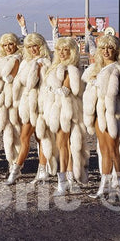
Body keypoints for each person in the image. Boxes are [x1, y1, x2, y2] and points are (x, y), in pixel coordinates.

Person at [82, 33, 120, 204]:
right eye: (103, 48)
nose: (106, 51)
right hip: (98, 115)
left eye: (110, 47)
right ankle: (103, 187)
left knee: (114, 151)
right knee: (103, 151)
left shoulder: (119, 68)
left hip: (114, 115)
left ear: (116, 50)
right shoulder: (96, 68)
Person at [40, 36, 89, 195]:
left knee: (63, 145)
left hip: (66, 112)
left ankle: (64, 181)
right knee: (64, 145)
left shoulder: (71, 69)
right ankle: (68, 180)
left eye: (66, 49)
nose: (62, 52)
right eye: (59, 49)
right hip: (56, 112)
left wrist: (50, 88)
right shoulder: (56, 67)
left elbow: (66, 91)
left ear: (72, 51)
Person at [7, 31, 53, 184]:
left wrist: (36, 69)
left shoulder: (44, 62)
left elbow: (33, 83)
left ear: (41, 46)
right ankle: (41, 170)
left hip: (40, 105)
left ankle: (17, 169)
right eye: (30, 46)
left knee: (34, 137)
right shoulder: (27, 61)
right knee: (33, 137)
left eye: (36, 46)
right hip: (27, 104)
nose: (33, 49)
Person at [0, 12, 24, 180]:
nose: (8, 47)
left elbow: (10, 78)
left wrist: (23, 26)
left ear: (16, 44)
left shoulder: (17, 59)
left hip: (12, 101)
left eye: (11, 44)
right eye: (6, 44)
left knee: (13, 133)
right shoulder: (1, 59)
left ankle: (14, 165)